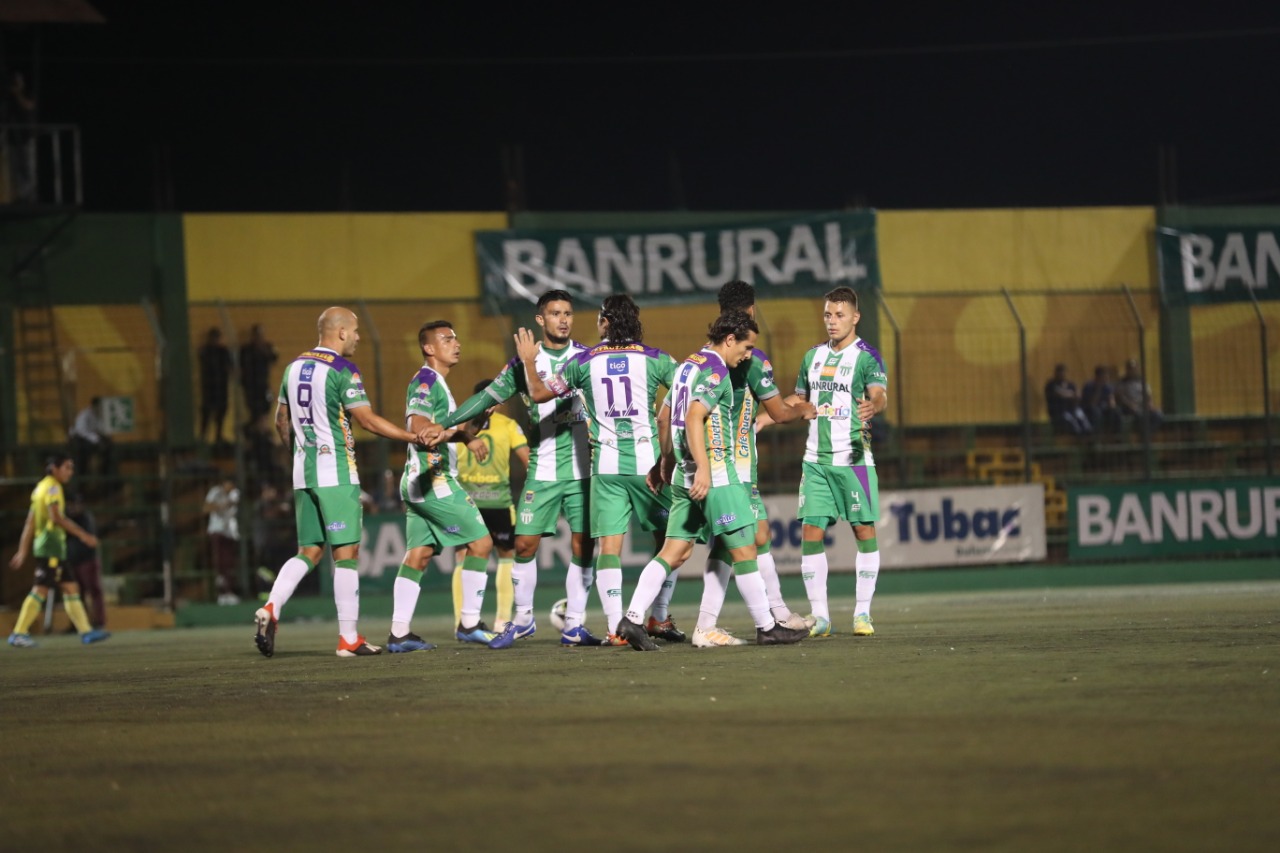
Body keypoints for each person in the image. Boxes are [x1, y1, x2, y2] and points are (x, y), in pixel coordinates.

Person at [613, 311, 810, 651]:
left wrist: (667, 463)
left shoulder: (689, 363)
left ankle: (630, 618)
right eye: (746, 347)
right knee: (745, 547)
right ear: (730, 339)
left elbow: (666, 418)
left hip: (682, 475)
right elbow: (692, 416)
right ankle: (767, 625)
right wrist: (703, 468)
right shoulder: (717, 370)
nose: (748, 355)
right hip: (716, 473)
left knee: (673, 551)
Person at [253, 306, 440, 659]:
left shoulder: (292, 368)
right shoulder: (342, 369)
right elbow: (366, 421)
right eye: (355, 332)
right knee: (347, 554)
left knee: (308, 550)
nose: (357, 337)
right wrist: (410, 438)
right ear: (340, 332)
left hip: (302, 472)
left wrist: (299, 454)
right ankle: (348, 639)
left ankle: (271, 608)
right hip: (335, 472)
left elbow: (281, 421)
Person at [515, 293, 680, 644]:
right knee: (670, 543)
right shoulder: (657, 359)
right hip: (648, 467)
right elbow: (687, 391)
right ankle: (657, 615)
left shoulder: (584, 361)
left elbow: (540, 393)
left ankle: (614, 627)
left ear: (604, 322)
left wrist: (530, 362)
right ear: (636, 321)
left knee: (609, 549)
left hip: (604, 469)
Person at [441, 289, 603, 646]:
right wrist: (447, 423)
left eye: (568, 313)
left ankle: (574, 623)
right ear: (540, 320)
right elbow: (486, 398)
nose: (564, 319)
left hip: (583, 472)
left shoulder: (587, 358)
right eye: (556, 313)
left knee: (583, 546)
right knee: (524, 545)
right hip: (542, 470)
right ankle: (524, 618)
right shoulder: (521, 364)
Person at [689, 280, 817, 646]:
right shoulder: (751, 356)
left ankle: (767, 616)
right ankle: (767, 618)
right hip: (734, 462)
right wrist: (802, 408)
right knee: (744, 539)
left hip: (724, 460)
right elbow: (777, 410)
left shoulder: (706, 354)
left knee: (744, 539)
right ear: (751, 311)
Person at [387, 320, 510, 652]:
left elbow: (438, 426)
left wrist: (464, 436)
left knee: (419, 555)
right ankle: (470, 623)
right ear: (429, 348)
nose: (456, 343)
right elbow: (418, 422)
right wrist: (429, 430)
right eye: (447, 339)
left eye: (456, 337)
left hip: (414, 482)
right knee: (482, 544)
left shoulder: (437, 382)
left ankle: (399, 633)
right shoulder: (427, 381)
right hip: (434, 480)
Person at [786, 286, 888, 638]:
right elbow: (798, 399)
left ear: (855, 317)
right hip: (815, 461)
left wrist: (874, 405)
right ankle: (821, 617)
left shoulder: (866, 357)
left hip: (854, 460)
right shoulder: (812, 356)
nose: (832, 321)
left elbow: (879, 393)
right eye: (828, 314)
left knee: (864, 531)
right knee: (811, 532)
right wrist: (765, 416)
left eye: (840, 315)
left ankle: (862, 614)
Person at [7, 454, 110, 647]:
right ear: (54, 468)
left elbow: (30, 521)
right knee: (40, 590)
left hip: (53, 549)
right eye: (67, 467)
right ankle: (19, 633)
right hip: (51, 548)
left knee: (71, 588)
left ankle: (86, 632)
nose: (70, 472)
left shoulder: (40, 488)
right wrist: (83, 535)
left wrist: (22, 551)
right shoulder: (53, 488)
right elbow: (56, 517)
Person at [453, 379, 530, 632]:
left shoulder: (458, 423)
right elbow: (527, 460)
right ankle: (501, 620)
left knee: (463, 556)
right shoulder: (508, 425)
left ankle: (460, 621)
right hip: (498, 502)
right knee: (506, 556)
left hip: (466, 502)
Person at [64, 492, 106, 629]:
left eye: (74, 504)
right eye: (69, 504)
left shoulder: (85, 518)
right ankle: (79, 624)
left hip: (87, 561)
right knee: (76, 594)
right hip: (73, 562)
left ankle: (99, 621)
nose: (72, 507)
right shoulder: (66, 519)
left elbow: (89, 541)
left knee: (94, 591)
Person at [204, 476, 241, 605]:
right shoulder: (216, 492)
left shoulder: (235, 493)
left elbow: (234, 503)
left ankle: (229, 592)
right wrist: (221, 505)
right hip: (217, 531)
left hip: (230, 533)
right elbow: (206, 508)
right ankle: (221, 594)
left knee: (229, 564)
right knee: (219, 564)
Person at [197, 327, 233, 447]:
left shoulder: (223, 352)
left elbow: (230, 367)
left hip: (221, 386)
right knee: (207, 412)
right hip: (209, 386)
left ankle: (219, 435)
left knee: (221, 412)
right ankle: (203, 436)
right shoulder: (206, 351)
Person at [239, 323, 279, 425]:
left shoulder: (267, 347)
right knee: (254, 410)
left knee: (267, 404)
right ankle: (255, 429)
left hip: (264, 384)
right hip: (250, 386)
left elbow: (274, 358)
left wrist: (263, 350)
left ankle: (263, 428)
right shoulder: (246, 349)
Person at [69, 397, 113, 480]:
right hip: (79, 441)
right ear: (93, 406)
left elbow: (101, 429)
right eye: (98, 406)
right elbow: (81, 431)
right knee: (81, 461)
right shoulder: (84, 415)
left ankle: (104, 474)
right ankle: (81, 477)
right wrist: (96, 439)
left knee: (107, 446)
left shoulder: (99, 415)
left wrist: (106, 436)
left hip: (90, 441)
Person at [1115, 358, 1163, 433]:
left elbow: (1148, 395)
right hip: (1129, 407)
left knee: (1158, 414)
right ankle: (1144, 434)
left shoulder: (1142, 381)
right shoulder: (1122, 383)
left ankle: (1148, 434)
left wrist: (1150, 404)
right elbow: (1120, 397)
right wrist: (1130, 405)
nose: (1132, 371)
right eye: (1130, 369)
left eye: (1134, 368)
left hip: (1143, 405)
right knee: (1140, 414)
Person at [1044, 363, 1092, 436]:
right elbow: (1059, 394)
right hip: (1059, 410)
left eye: (1063, 372)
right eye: (1060, 372)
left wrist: (1072, 395)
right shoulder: (1051, 384)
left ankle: (1089, 437)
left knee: (1082, 418)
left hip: (1072, 408)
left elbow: (1078, 395)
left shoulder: (1070, 384)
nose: (1062, 374)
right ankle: (1078, 437)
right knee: (1071, 421)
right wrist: (1071, 394)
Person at [1081, 365, 1120, 434]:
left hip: (1103, 408)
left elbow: (1111, 401)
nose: (1107, 377)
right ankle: (1096, 436)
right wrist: (1098, 388)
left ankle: (1114, 435)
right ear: (1098, 376)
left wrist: (1112, 405)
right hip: (1089, 408)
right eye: (1105, 375)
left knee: (1115, 411)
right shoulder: (1089, 386)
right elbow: (1092, 403)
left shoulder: (1108, 387)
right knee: (1096, 412)